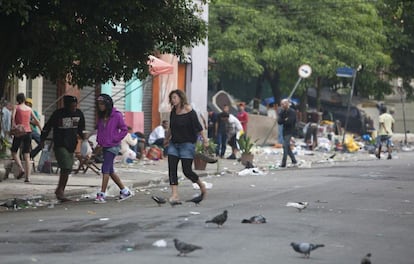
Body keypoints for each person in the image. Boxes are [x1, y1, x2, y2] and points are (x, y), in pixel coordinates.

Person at [163, 89, 208, 204]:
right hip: (174, 144)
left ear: (181, 98)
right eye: (171, 98)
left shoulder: (189, 111)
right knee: (172, 169)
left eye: (175, 97)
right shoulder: (173, 111)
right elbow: (171, 128)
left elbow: (199, 127)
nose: (173, 100)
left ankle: (201, 185)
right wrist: (166, 139)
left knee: (187, 170)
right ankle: (175, 194)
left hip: (187, 144)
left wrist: (205, 141)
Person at [40, 95, 85, 201]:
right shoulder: (58, 114)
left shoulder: (79, 114)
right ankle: (60, 191)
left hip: (71, 145)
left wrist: (85, 139)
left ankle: (60, 190)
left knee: (68, 169)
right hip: (60, 144)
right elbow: (48, 126)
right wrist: (42, 139)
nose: (74, 108)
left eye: (75, 105)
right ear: (66, 105)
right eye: (72, 106)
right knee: (66, 166)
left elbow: (81, 129)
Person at [95, 94, 132, 203]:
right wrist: (99, 143)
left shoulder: (117, 115)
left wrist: (115, 138)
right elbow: (100, 131)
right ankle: (125, 191)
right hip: (104, 145)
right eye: (99, 104)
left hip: (113, 146)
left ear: (107, 104)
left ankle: (102, 194)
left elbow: (124, 129)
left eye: (102, 104)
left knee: (105, 168)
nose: (100, 106)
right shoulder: (101, 117)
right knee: (110, 171)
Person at [11, 93, 41, 182]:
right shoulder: (29, 109)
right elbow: (37, 121)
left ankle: (21, 168)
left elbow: (12, 118)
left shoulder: (16, 107)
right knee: (27, 155)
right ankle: (28, 177)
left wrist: (14, 126)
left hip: (19, 132)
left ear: (17, 100)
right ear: (24, 100)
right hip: (28, 132)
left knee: (13, 152)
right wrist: (41, 130)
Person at [277, 99, 298, 167]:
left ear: (287, 104)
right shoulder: (282, 112)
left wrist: (285, 120)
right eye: (281, 104)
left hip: (290, 131)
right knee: (287, 147)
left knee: (285, 146)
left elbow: (290, 122)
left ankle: (284, 162)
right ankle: (294, 160)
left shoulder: (292, 112)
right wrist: (284, 120)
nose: (282, 106)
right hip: (285, 131)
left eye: (283, 104)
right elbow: (279, 121)